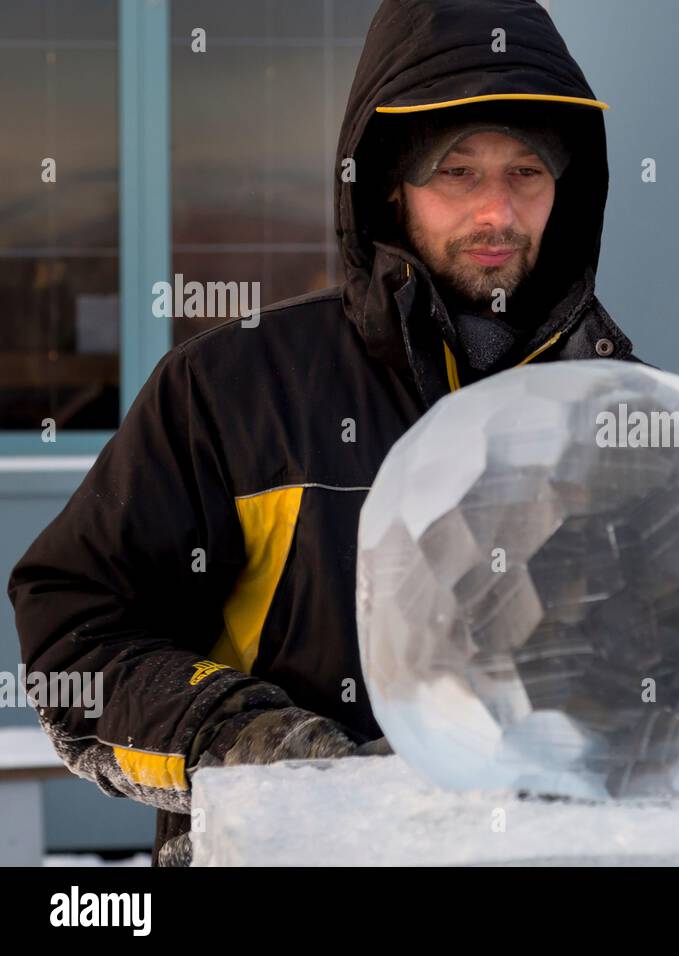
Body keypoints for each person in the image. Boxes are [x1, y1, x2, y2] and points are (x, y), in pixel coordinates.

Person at [7, 0, 640, 867]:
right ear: (387, 180)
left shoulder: (616, 410)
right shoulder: (233, 388)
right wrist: (252, 747)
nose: (498, 210)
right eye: (457, 171)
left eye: (526, 171)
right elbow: (73, 627)